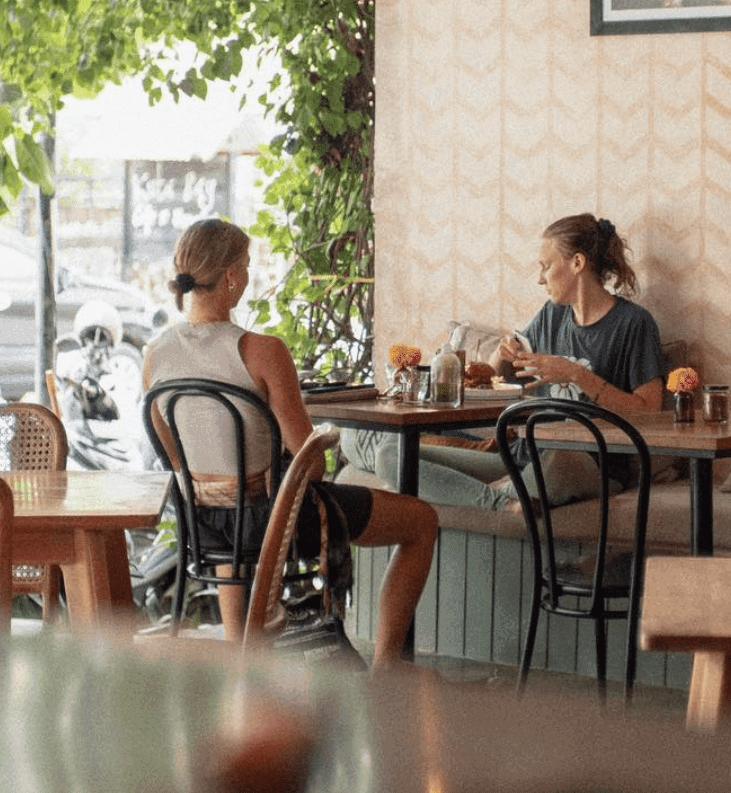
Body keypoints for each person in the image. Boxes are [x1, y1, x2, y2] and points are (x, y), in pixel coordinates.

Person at [142, 218, 437, 669]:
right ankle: (386, 672)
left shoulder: (155, 356)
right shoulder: (262, 351)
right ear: (231, 278)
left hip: (204, 526)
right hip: (272, 521)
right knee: (421, 521)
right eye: (246, 265)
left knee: (236, 523)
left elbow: (175, 458)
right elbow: (310, 466)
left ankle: (246, 666)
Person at [373, 214, 666, 509]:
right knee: (391, 454)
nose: (540, 278)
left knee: (559, 459)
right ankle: (501, 503)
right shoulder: (551, 316)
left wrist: (577, 375)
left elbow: (650, 412)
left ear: (577, 263)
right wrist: (502, 355)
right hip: (523, 455)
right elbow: (497, 380)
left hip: (591, 463)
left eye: (546, 266)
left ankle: (508, 493)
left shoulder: (634, 323)